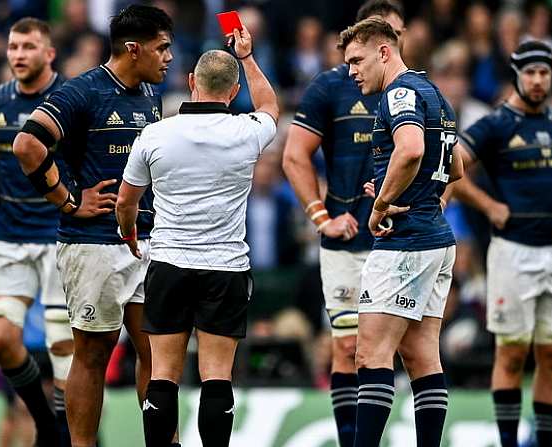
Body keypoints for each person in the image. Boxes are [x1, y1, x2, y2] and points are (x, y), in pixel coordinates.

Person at [11, 5, 174, 446]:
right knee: (92, 355)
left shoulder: (149, 96)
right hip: (93, 245)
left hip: (143, 242)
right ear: (133, 48)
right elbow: (27, 144)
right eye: (162, 48)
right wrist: (67, 199)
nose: (169, 57)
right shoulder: (83, 90)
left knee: (156, 354)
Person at [116, 25, 277, 446]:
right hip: (225, 269)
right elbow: (270, 105)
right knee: (217, 377)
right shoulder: (247, 132)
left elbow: (125, 201)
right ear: (233, 90)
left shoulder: (155, 135)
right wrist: (246, 56)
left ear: (191, 83)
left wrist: (129, 232)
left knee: (163, 374)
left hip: (169, 264)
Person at [281, 2, 405, 445]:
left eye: (398, 34)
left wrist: (422, 200)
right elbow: (294, 155)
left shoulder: (415, 91)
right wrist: (322, 217)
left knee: (401, 351)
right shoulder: (330, 87)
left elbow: (449, 160)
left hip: (401, 238)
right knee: (348, 347)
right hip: (347, 238)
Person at [337, 17, 463, 446]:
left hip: (404, 242)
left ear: (384, 52)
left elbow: (411, 148)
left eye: (357, 60)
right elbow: (456, 167)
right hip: (437, 240)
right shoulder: (435, 93)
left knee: (370, 354)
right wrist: (407, 184)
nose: (352, 71)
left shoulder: (400, 92)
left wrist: (381, 203)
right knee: (421, 355)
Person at [452, 41, 552, 447]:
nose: (538, 81)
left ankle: (545, 442)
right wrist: (489, 205)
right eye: (531, 73)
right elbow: (454, 166)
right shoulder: (496, 124)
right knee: (511, 353)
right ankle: (509, 443)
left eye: (545, 73)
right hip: (512, 252)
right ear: (517, 76)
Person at [0, 17, 70, 446]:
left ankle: (64, 433)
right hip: (10, 238)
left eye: (28, 46)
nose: (18, 55)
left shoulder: (69, 98)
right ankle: (45, 421)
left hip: (62, 238)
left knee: (65, 353)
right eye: (13, 47)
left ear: (49, 53)